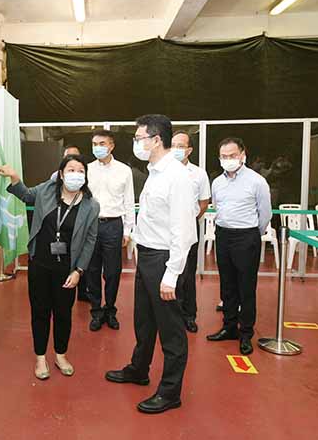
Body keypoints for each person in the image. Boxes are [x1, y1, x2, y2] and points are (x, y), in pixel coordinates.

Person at [105, 114, 196, 414]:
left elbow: (184, 230)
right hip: (147, 256)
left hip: (163, 259)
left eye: (139, 138)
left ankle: (170, 392)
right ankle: (139, 369)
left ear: (156, 140)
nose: (136, 143)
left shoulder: (176, 176)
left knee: (171, 330)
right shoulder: (155, 172)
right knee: (144, 321)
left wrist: (172, 274)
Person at [0, 155, 99, 380]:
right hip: (40, 264)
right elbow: (25, 194)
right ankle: (40, 357)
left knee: (63, 314)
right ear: (61, 174)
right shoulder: (46, 190)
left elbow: (90, 240)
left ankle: (61, 355)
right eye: (70, 170)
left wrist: (79, 271)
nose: (75, 174)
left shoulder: (91, 205)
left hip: (68, 269)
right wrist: (14, 176)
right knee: (40, 312)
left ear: (85, 176)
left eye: (80, 171)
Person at [206, 138, 271, 356]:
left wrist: (252, 234)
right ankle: (229, 327)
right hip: (223, 234)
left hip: (247, 236)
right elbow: (218, 207)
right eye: (224, 156)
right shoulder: (217, 182)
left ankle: (246, 333)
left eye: (232, 155)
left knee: (246, 287)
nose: (228, 160)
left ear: (243, 155)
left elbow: (265, 214)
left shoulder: (257, 181)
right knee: (227, 285)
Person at [85, 130, 135, 331]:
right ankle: (96, 311)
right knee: (92, 270)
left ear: (111, 146)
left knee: (113, 271)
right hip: (91, 225)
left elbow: (129, 201)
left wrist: (128, 230)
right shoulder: (86, 169)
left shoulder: (124, 170)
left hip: (114, 225)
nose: (97, 147)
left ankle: (110, 309)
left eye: (102, 143)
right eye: (94, 144)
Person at [170, 132, 210, 333]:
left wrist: (189, 219)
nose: (176, 149)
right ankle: (171, 316)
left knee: (187, 272)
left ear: (189, 150)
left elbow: (203, 203)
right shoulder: (164, 170)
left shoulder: (199, 174)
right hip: (167, 228)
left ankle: (188, 315)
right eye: (173, 145)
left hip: (189, 226)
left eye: (180, 146)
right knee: (170, 271)